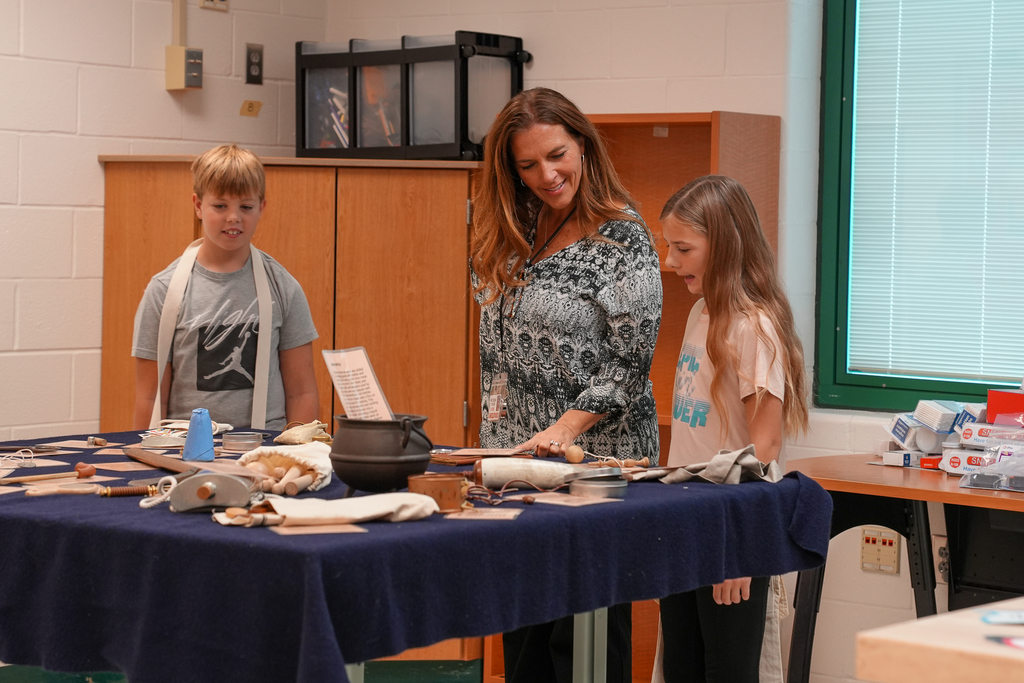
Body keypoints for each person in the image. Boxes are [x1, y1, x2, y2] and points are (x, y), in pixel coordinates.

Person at [470, 87, 663, 683]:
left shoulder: (623, 239)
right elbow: (495, 349)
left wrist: (560, 432)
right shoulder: (512, 226)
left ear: (582, 143)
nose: (546, 175)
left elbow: (628, 367)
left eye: (556, 155)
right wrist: (498, 441)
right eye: (527, 165)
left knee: (583, 642)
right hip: (515, 461)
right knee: (523, 630)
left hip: (594, 465)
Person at [657, 174, 809, 683]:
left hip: (731, 529)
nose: (670, 262)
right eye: (669, 248)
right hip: (686, 520)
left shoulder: (753, 326)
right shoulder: (702, 311)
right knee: (683, 666)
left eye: (683, 249)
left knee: (729, 670)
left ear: (723, 245)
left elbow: (762, 446)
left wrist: (740, 547)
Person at [131, 144, 319, 431]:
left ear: (261, 208)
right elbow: (149, 397)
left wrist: (298, 457)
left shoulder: (283, 287)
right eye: (220, 206)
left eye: (246, 207)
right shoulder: (164, 291)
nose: (233, 217)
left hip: (264, 453)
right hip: (184, 450)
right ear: (198, 205)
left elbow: (302, 392)